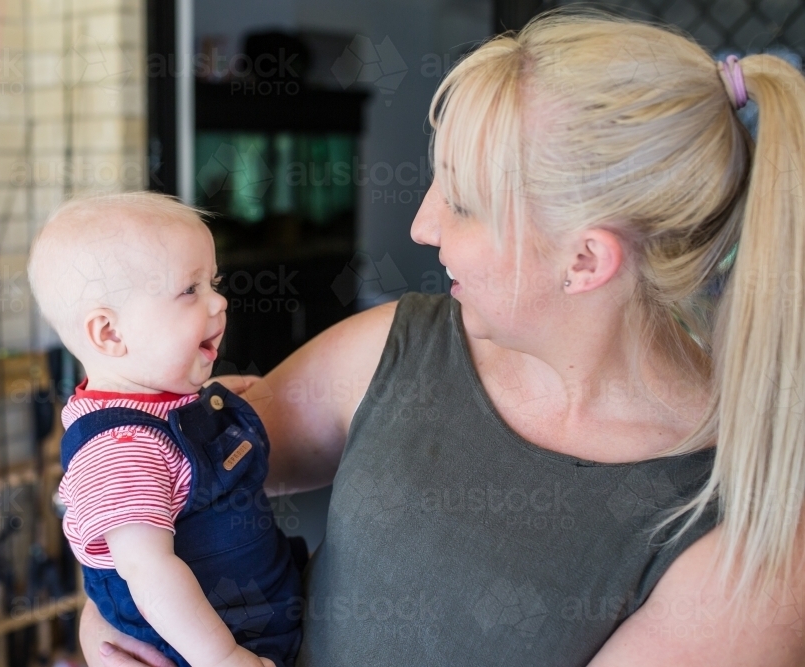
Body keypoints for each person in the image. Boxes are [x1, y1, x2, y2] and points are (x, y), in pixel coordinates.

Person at [78, 10, 805, 666]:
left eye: (460, 202)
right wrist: (111, 610)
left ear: (585, 260)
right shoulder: (399, 344)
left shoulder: (743, 537)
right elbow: (154, 477)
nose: (423, 226)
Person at [27, 192, 303, 667]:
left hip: (262, 611)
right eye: (189, 290)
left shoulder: (155, 401)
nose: (219, 301)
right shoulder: (119, 451)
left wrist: (211, 393)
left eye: (212, 282)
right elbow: (149, 572)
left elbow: (173, 424)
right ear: (110, 333)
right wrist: (221, 658)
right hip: (204, 648)